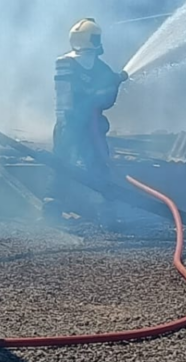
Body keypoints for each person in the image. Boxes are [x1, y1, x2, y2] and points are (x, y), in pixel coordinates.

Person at [46, 17, 128, 223]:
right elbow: (65, 99)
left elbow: (106, 100)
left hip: (88, 126)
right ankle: (54, 208)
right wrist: (68, 122)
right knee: (65, 164)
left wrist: (115, 82)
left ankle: (105, 211)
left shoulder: (100, 68)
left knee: (96, 165)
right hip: (71, 124)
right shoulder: (66, 62)